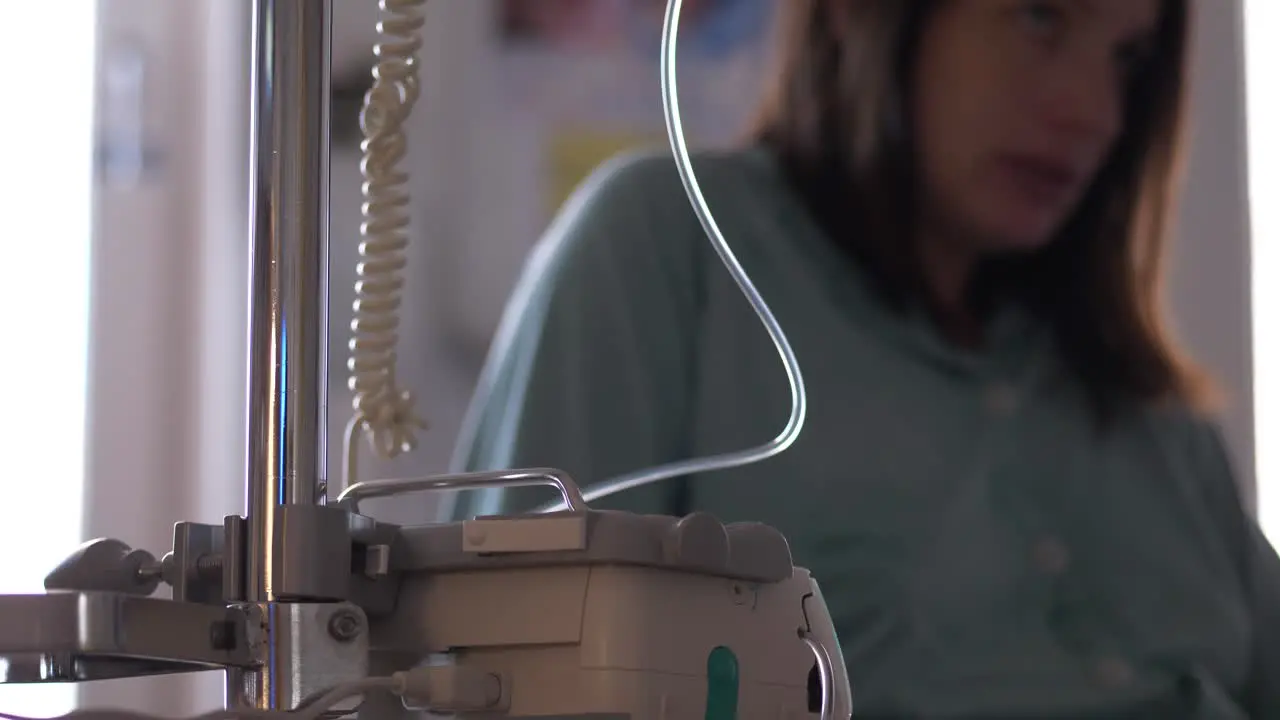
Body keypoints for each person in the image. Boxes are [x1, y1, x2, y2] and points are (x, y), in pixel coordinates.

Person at [451, 0, 1280, 716]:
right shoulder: (672, 252)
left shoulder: (1145, 404)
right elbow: (505, 674)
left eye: (1127, 58)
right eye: (1039, 17)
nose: (1093, 112)